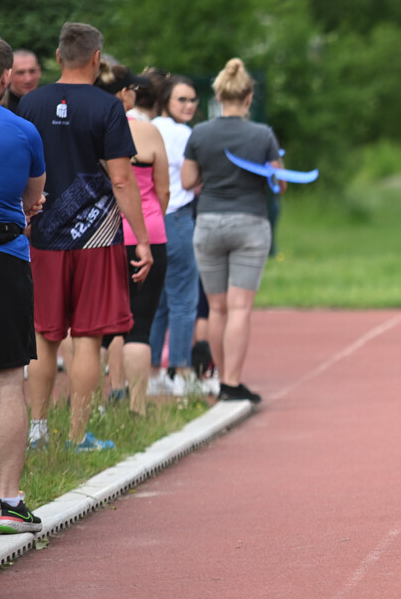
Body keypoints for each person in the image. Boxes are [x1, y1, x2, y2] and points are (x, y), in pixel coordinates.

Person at [19, 22, 154, 452]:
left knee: (45, 334)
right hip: (97, 238)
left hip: (43, 235)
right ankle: (77, 436)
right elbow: (121, 180)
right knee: (89, 337)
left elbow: (22, 170)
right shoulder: (108, 107)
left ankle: (38, 432)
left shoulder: (30, 104)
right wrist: (144, 239)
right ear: (97, 60)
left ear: (57, 58)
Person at [182, 57, 283, 403]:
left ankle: (218, 380)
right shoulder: (262, 134)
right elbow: (278, 183)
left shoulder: (200, 133)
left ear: (218, 96)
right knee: (240, 308)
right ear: (249, 97)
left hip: (208, 222)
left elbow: (187, 180)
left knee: (216, 308)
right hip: (250, 223)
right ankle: (232, 381)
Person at [0, 33, 46, 533]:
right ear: (7, 77)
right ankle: (9, 503)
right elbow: (32, 201)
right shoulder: (23, 130)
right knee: (6, 381)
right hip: (1, 258)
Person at [95, 64, 170, 414]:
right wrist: (152, 220)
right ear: (125, 94)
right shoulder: (148, 133)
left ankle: (100, 400)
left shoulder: (89, 129)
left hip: (101, 234)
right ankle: (138, 409)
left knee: (101, 327)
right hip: (147, 233)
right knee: (139, 325)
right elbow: (163, 188)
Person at [149, 75, 206, 394]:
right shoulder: (186, 134)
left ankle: (154, 371)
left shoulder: (148, 127)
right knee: (184, 297)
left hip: (152, 220)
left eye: (192, 100)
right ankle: (181, 370)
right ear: (166, 101)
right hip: (179, 217)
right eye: (181, 99)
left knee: (158, 298)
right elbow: (190, 181)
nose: (188, 105)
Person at [0, 49, 42, 114]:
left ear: (39, 71)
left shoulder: (48, 103)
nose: (28, 79)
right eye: (20, 73)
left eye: (32, 71)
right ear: (8, 75)